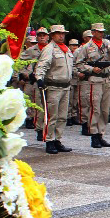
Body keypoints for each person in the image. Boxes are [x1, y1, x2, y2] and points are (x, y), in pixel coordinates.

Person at [74, 22, 110, 148]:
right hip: (95, 80)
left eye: (102, 31)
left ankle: (101, 134)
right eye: (99, 31)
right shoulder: (86, 47)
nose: (102, 33)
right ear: (93, 32)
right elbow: (78, 64)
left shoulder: (106, 43)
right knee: (95, 109)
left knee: (104, 110)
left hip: (107, 79)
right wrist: (91, 69)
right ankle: (94, 135)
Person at [34, 25, 74, 154]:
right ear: (52, 35)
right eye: (58, 34)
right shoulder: (49, 49)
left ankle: (58, 139)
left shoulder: (66, 49)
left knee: (62, 116)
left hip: (65, 86)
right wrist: (39, 78)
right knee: (52, 116)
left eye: (63, 34)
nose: (61, 36)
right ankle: (49, 140)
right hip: (53, 86)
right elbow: (42, 65)